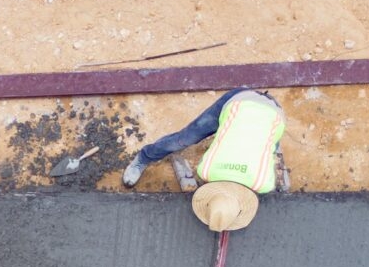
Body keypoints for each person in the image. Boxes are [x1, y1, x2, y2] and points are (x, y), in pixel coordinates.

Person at [121, 89, 286, 232]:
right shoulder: (209, 171)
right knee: (184, 139)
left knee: (269, 144)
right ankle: (143, 158)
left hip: (274, 115)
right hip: (240, 102)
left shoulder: (261, 183)